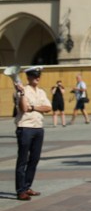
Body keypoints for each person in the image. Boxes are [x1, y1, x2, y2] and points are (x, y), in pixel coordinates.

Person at [13, 67, 52, 200]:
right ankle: (20, 190)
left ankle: (27, 186)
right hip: (25, 127)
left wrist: (33, 107)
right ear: (28, 77)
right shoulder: (21, 90)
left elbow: (48, 108)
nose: (37, 77)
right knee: (23, 160)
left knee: (34, 159)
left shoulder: (41, 92)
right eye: (34, 75)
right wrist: (22, 94)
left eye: (39, 75)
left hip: (38, 127)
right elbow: (24, 108)